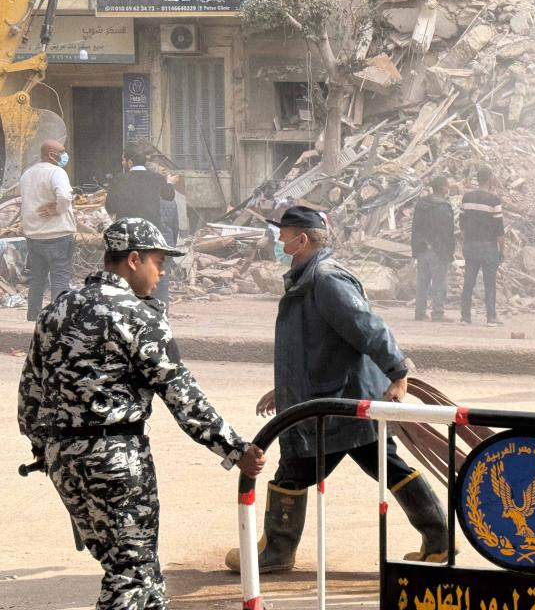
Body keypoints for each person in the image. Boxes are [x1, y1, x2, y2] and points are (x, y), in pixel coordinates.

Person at [18, 217, 266, 610]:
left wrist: (44, 449)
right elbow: (182, 394)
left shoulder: (57, 310)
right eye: (158, 262)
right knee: (129, 575)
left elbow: (31, 393)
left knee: (142, 572)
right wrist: (236, 449)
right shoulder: (138, 315)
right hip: (115, 461)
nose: (162, 272)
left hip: (62, 459)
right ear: (133, 260)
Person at [225, 206, 449, 573]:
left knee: (297, 470)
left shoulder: (326, 280)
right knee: (377, 466)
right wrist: (285, 391)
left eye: (284, 235)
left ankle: (277, 551)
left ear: (302, 239)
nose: (279, 241)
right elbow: (314, 347)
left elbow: (368, 327)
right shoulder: (308, 278)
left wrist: (398, 372)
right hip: (331, 401)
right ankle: (439, 541)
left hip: (340, 405)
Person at [105, 141, 177, 307]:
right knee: (156, 276)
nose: (123, 163)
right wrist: (168, 183)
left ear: (129, 162)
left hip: (127, 236)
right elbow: (169, 195)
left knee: (126, 276)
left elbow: (110, 207)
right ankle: (159, 313)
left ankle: (128, 313)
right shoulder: (157, 179)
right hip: (151, 235)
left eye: (123, 160)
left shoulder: (120, 179)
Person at [19, 139, 76, 321]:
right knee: (60, 278)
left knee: (37, 278)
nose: (65, 155)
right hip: (58, 235)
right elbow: (65, 196)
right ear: (52, 154)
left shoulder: (27, 174)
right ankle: (57, 318)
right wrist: (57, 209)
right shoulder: (57, 172)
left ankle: (33, 315)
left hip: (34, 236)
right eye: (62, 151)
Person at [459, 166, 504, 326]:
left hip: (471, 245)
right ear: (490, 179)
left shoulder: (467, 198)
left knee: (468, 281)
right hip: (488, 246)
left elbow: (462, 225)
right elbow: (499, 230)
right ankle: (491, 317)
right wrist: (502, 250)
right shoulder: (494, 200)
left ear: (477, 179)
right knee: (489, 283)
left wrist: (466, 242)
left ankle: (465, 317)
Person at [411, 176, 455, 321]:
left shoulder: (421, 204)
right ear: (442, 188)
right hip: (438, 249)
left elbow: (415, 227)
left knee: (422, 282)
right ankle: (437, 312)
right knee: (439, 282)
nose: (448, 188)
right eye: (447, 186)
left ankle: (420, 312)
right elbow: (448, 232)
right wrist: (450, 251)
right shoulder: (444, 207)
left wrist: (415, 248)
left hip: (422, 247)